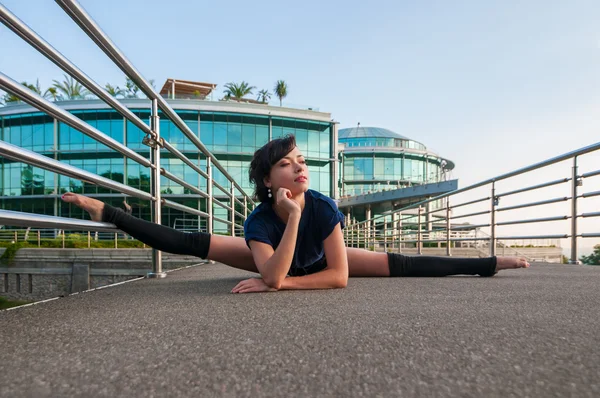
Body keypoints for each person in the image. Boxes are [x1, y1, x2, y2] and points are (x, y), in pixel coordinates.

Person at [61, 135, 529, 294]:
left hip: (320, 260)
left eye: (300, 160)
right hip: (274, 248)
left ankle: (491, 263)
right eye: (286, 163)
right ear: (268, 181)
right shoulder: (258, 223)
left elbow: (337, 278)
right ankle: (111, 213)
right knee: (192, 242)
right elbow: (269, 272)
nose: (299, 166)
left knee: (399, 263)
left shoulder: (323, 205)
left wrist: (282, 285)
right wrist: (288, 236)